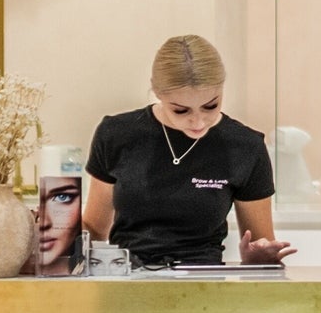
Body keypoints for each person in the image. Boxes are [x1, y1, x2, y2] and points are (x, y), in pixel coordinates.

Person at [70, 35, 297, 271]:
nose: (198, 121)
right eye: (180, 110)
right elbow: (94, 231)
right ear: (157, 92)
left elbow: (262, 244)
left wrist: (257, 259)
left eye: (210, 106)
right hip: (127, 281)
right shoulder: (117, 135)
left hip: (203, 286)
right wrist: (54, 230)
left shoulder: (245, 146)